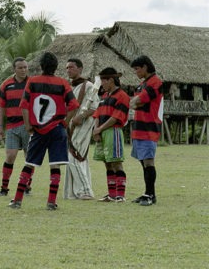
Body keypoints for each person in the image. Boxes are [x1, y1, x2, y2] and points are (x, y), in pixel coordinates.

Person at [9, 52, 79, 211]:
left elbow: (24, 105)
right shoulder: (62, 83)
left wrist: (28, 125)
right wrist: (65, 122)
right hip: (56, 129)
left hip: (38, 130)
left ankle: (17, 200)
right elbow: (74, 105)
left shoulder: (32, 81)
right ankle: (51, 202)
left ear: (41, 66)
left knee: (29, 163)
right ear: (56, 67)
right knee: (55, 165)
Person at [0, 57, 34, 197]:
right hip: (11, 126)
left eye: (25, 67)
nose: (23, 70)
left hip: (29, 126)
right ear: (14, 69)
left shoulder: (32, 83)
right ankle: (4, 189)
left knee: (29, 157)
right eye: (20, 68)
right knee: (10, 156)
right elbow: (0, 107)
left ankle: (27, 186)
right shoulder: (6, 84)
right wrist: (0, 127)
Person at [129, 55, 163, 206]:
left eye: (137, 69)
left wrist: (137, 102)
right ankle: (147, 192)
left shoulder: (156, 82)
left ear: (145, 67)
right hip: (139, 127)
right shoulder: (142, 84)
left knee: (149, 161)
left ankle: (151, 195)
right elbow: (133, 103)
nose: (136, 72)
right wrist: (137, 102)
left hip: (149, 127)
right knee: (143, 162)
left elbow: (137, 101)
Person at [92, 67, 130, 202]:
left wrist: (99, 129)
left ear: (111, 80)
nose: (101, 83)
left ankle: (120, 195)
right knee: (107, 162)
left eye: (103, 80)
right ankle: (111, 194)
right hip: (102, 132)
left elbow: (115, 117)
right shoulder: (104, 96)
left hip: (113, 131)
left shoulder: (122, 96)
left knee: (116, 162)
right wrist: (96, 130)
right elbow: (97, 114)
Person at [63, 58, 98, 200]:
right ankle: (72, 192)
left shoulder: (89, 85)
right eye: (67, 68)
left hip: (82, 125)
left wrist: (81, 117)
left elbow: (94, 107)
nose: (68, 70)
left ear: (80, 69)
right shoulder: (69, 86)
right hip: (70, 125)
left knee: (75, 155)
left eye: (71, 67)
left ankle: (85, 191)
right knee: (76, 157)